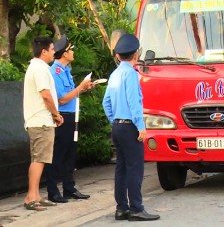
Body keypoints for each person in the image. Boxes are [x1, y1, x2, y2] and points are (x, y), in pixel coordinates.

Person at [102, 33, 160, 222]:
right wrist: (141, 127)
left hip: (118, 126)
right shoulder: (131, 75)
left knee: (121, 168)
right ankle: (136, 207)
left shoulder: (114, 74)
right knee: (135, 168)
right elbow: (134, 103)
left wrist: (114, 120)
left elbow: (106, 102)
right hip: (130, 127)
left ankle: (121, 208)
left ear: (118, 56)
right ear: (136, 55)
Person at [45, 36, 93, 203]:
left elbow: (71, 95)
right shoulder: (55, 72)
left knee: (70, 154)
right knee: (58, 154)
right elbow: (62, 99)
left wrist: (83, 88)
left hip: (72, 115)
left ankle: (69, 188)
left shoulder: (66, 70)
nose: (73, 52)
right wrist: (80, 87)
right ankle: (53, 190)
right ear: (64, 54)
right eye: (71, 50)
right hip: (62, 118)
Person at [23, 36, 64, 211]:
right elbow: (45, 95)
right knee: (39, 159)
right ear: (44, 51)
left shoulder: (39, 67)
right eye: (52, 49)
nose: (54, 52)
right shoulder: (39, 69)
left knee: (39, 158)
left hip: (41, 120)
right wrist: (56, 114)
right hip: (41, 121)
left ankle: (36, 196)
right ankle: (31, 197)